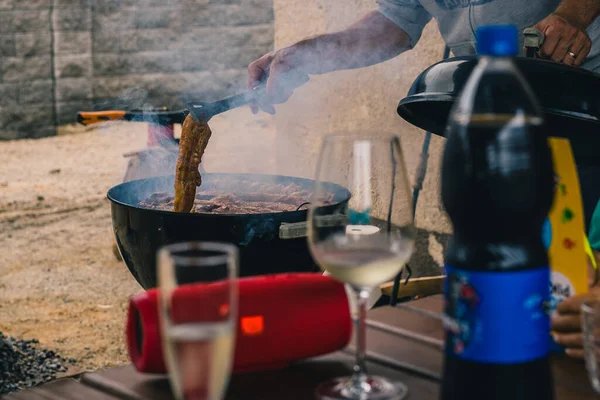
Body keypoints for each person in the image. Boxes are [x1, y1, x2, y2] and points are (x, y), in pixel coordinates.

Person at [246, 0, 600, 358]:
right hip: (487, 107)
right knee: (492, 282)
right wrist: (306, 54)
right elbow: (395, 21)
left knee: (572, 287)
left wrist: (573, 15)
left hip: (580, 105)